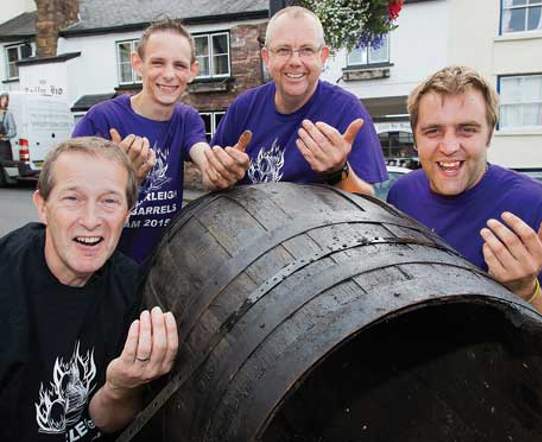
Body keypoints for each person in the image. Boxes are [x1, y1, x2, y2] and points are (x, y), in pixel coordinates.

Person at [0, 137, 178, 441]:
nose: (92, 220)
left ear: (128, 212)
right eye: (73, 199)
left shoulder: (132, 289)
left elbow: (107, 420)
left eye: (109, 201)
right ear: (42, 206)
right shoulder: (7, 274)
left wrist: (120, 387)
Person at [387, 65, 542, 338]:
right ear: (415, 138)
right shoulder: (401, 194)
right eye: (433, 131)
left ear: (489, 135)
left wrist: (527, 293)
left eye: (467, 130)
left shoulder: (540, 208)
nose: (449, 146)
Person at [72, 19, 250, 264]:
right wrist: (121, 178)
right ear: (137, 64)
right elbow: (71, 194)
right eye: (157, 63)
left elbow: (201, 154)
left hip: (161, 269)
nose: (169, 74)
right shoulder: (101, 118)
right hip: (105, 266)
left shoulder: (187, 119)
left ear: (192, 71)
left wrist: (220, 168)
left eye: (179, 65)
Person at [210, 6, 387, 194]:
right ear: (266, 57)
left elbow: (369, 204)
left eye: (307, 50)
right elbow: (209, 181)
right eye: (283, 50)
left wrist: (338, 171)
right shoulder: (244, 107)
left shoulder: (347, 111)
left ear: (323, 56)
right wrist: (221, 174)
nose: (295, 61)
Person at [0, 92, 17, 161]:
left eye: (6, 100)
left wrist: (3, 136)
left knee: (5, 166)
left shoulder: (8, 114)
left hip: (3, 146)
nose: (4, 102)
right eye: (2, 99)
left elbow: (13, 131)